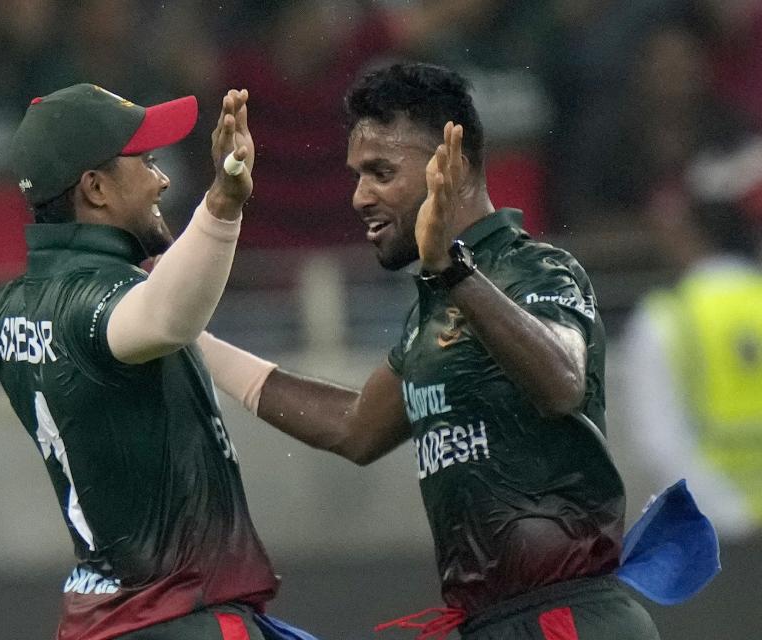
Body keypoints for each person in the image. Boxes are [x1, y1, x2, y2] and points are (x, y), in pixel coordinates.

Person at [197, 62, 661, 639]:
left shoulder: (536, 269)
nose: (360, 196)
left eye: (381, 172)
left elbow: (563, 380)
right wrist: (194, 340)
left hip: (568, 618)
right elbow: (353, 428)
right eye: (357, 175)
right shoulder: (432, 309)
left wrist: (452, 269)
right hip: (489, 623)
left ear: (453, 160)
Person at [0, 83, 283, 640]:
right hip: (177, 619)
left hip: (97, 624)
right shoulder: (96, 300)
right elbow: (170, 316)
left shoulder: (10, 308)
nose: (163, 178)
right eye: (145, 162)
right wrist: (224, 201)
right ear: (95, 189)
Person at [622, 194, 762, 540]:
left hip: (713, 524)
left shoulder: (666, 317)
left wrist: (728, 511)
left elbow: (656, 438)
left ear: (690, 234)